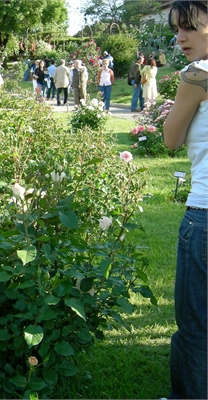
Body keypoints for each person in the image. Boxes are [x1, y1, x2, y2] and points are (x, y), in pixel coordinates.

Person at [163, 3, 208, 399]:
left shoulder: (197, 75)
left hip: (205, 215)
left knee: (196, 328)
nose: (180, 38)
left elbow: (171, 139)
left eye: (190, 28)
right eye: (177, 29)